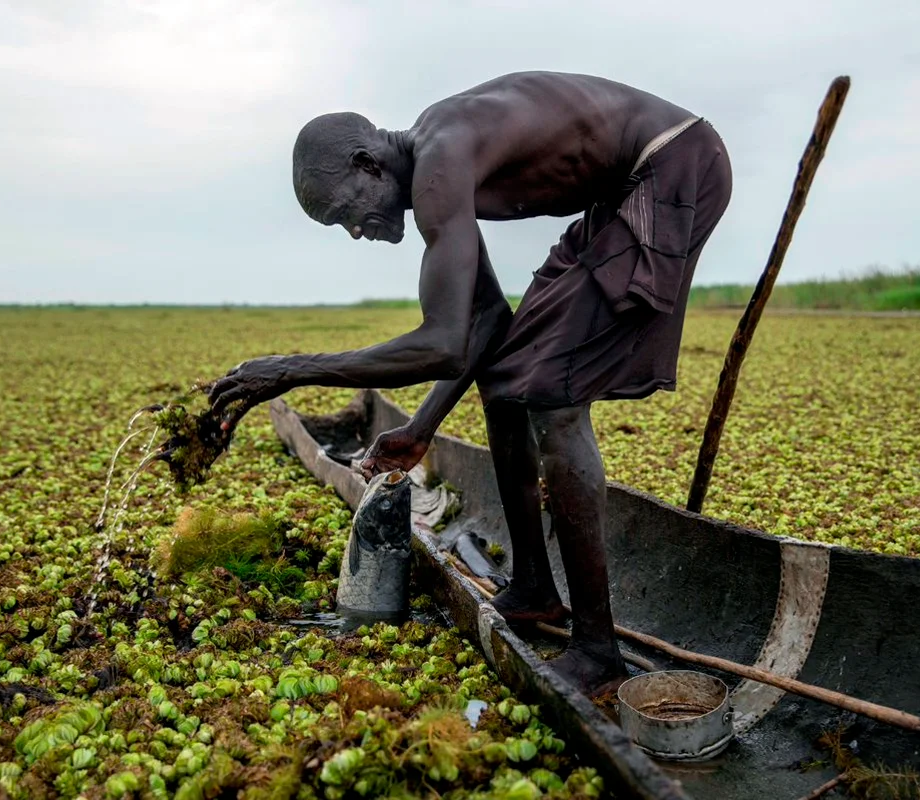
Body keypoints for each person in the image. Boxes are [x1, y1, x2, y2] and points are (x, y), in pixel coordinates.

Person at [207, 70, 732, 697]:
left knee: (554, 400)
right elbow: (483, 325)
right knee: (508, 376)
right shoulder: (441, 169)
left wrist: (291, 369)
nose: (356, 230)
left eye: (347, 211)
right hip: (617, 194)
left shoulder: (440, 162)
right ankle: (535, 588)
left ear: (368, 164)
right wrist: (421, 429)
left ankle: (598, 649)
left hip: (670, 165)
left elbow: (442, 341)